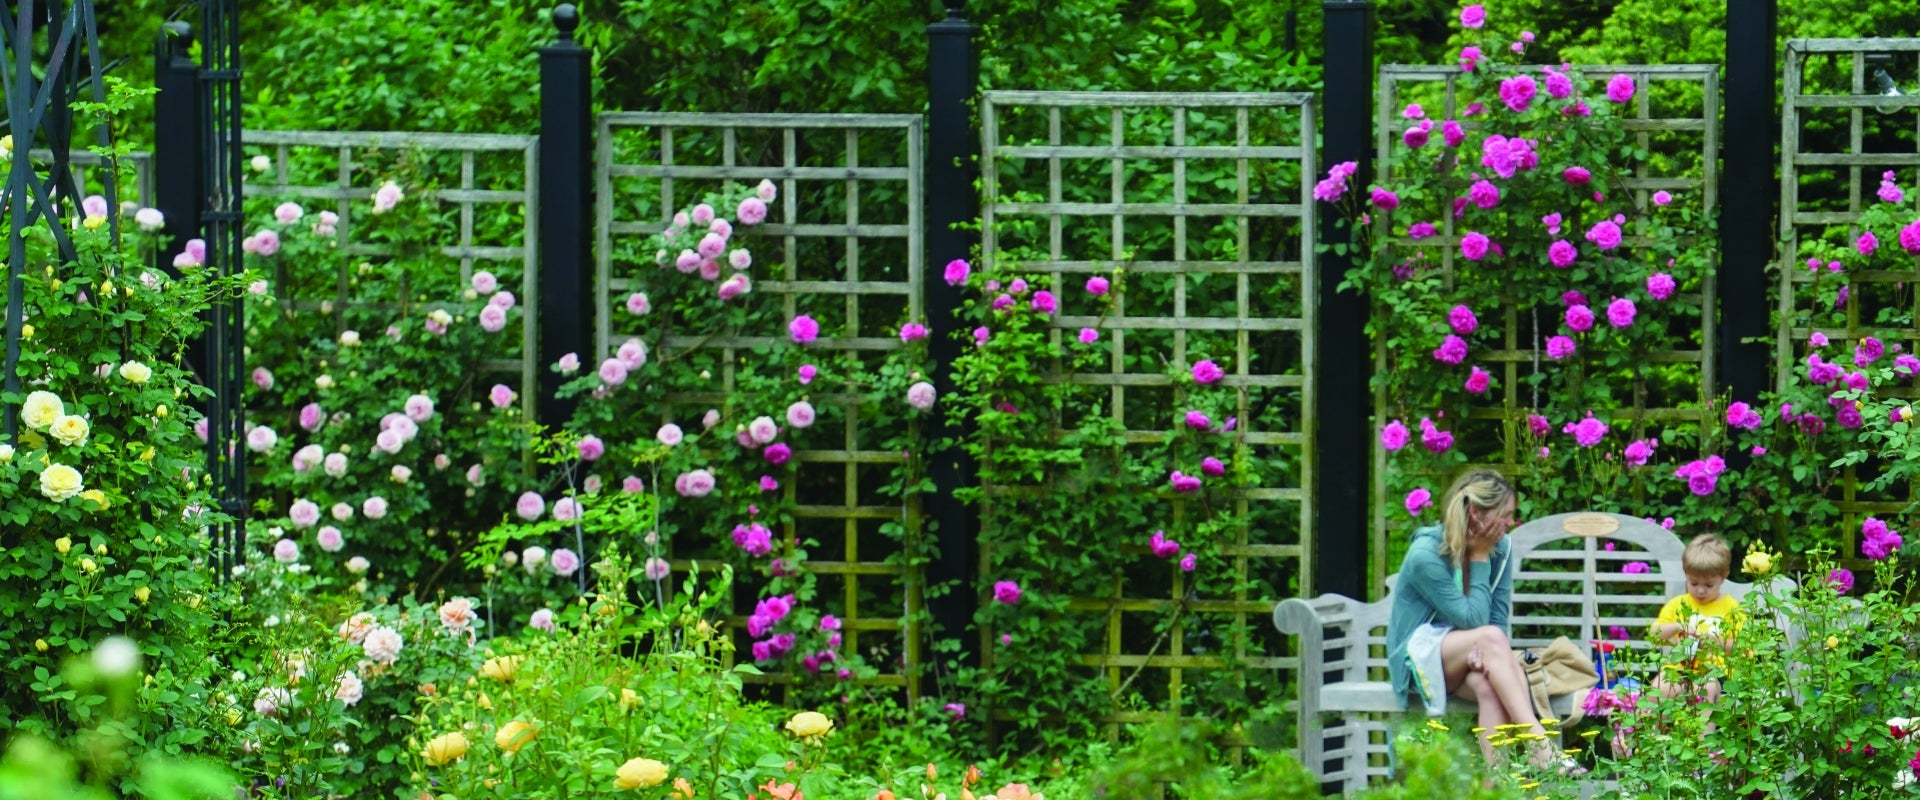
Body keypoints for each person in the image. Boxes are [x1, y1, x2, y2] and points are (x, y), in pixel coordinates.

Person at [1386, 469, 1579, 773]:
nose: (1510, 523)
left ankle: (1496, 787)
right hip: (1417, 660)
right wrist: (1478, 559)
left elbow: (1497, 619)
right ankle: (1540, 745)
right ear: (1475, 512)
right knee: (1488, 638)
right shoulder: (1425, 554)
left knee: (1489, 686)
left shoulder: (1502, 547)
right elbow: (1473, 620)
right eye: (1504, 515)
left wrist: (1487, 651)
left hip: (1469, 653)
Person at [1649, 533, 1740, 725]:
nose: (1700, 591)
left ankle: (1704, 750)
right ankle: (1654, 747)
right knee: (1659, 688)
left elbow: (1742, 648)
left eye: (1708, 585)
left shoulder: (1731, 608)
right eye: (1693, 583)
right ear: (1686, 575)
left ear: (1724, 577)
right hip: (1679, 669)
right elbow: (1654, 635)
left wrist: (1713, 640)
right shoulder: (1678, 604)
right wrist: (1678, 626)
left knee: (1704, 689)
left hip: (1715, 672)